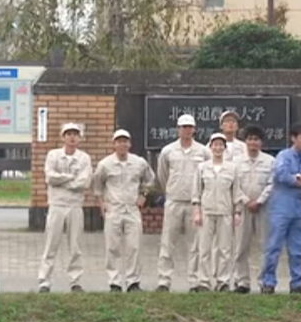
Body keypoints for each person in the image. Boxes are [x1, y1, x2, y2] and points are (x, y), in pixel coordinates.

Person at [92, 129, 156, 292]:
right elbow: (98, 186)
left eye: (125, 141)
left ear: (130, 144)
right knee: (112, 247)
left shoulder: (139, 162)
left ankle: (133, 281)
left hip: (132, 209)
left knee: (134, 246)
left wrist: (143, 195)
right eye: (119, 141)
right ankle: (115, 282)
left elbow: (150, 180)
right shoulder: (105, 164)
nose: (122, 144)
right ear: (114, 144)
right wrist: (101, 205)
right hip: (113, 209)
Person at [261, 125, 301, 294]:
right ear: (293, 138)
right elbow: (282, 176)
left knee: (297, 247)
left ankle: (297, 282)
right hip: (281, 206)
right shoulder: (284, 156)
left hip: (299, 206)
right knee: (274, 246)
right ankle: (268, 281)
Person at [155, 113, 211, 292]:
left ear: (194, 129)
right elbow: (162, 176)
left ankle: (194, 281)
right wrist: (170, 191)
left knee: (195, 244)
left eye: (189, 127)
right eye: (183, 127)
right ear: (178, 129)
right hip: (173, 202)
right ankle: (164, 281)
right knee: (167, 243)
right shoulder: (168, 151)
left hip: (195, 204)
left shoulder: (203, 151)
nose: (186, 130)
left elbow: (207, 175)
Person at [37, 122, 93, 293]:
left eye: (75, 134)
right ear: (63, 137)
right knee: (51, 244)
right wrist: (70, 177)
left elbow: (84, 182)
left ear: (79, 137)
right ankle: (44, 281)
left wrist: (63, 181)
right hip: (56, 205)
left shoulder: (84, 158)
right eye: (69, 134)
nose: (72, 137)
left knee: (75, 245)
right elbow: (50, 177)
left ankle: (75, 281)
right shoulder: (53, 155)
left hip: (75, 206)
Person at [193, 133, 242, 292]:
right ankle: (204, 282)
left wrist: (237, 212)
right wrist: (197, 212)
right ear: (210, 147)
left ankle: (223, 281)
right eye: (215, 145)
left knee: (225, 249)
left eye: (221, 145)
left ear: (225, 148)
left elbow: (236, 192)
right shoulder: (202, 167)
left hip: (225, 212)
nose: (218, 148)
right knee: (204, 249)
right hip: (206, 212)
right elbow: (197, 192)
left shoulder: (232, 168)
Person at [231, 124, 275, 294]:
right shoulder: (236, 162)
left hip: (263, 209)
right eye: (250, 139)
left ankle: (266, 282)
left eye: (256, 139)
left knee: (266, 246)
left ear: (261, 143)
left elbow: (272, 184)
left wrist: (260, 200)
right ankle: (242, 282)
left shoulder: (270, 161)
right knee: (241, 246)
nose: (253, 143)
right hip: (243, 208)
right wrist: (246, 200)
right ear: (245, 141)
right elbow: (234, 185)